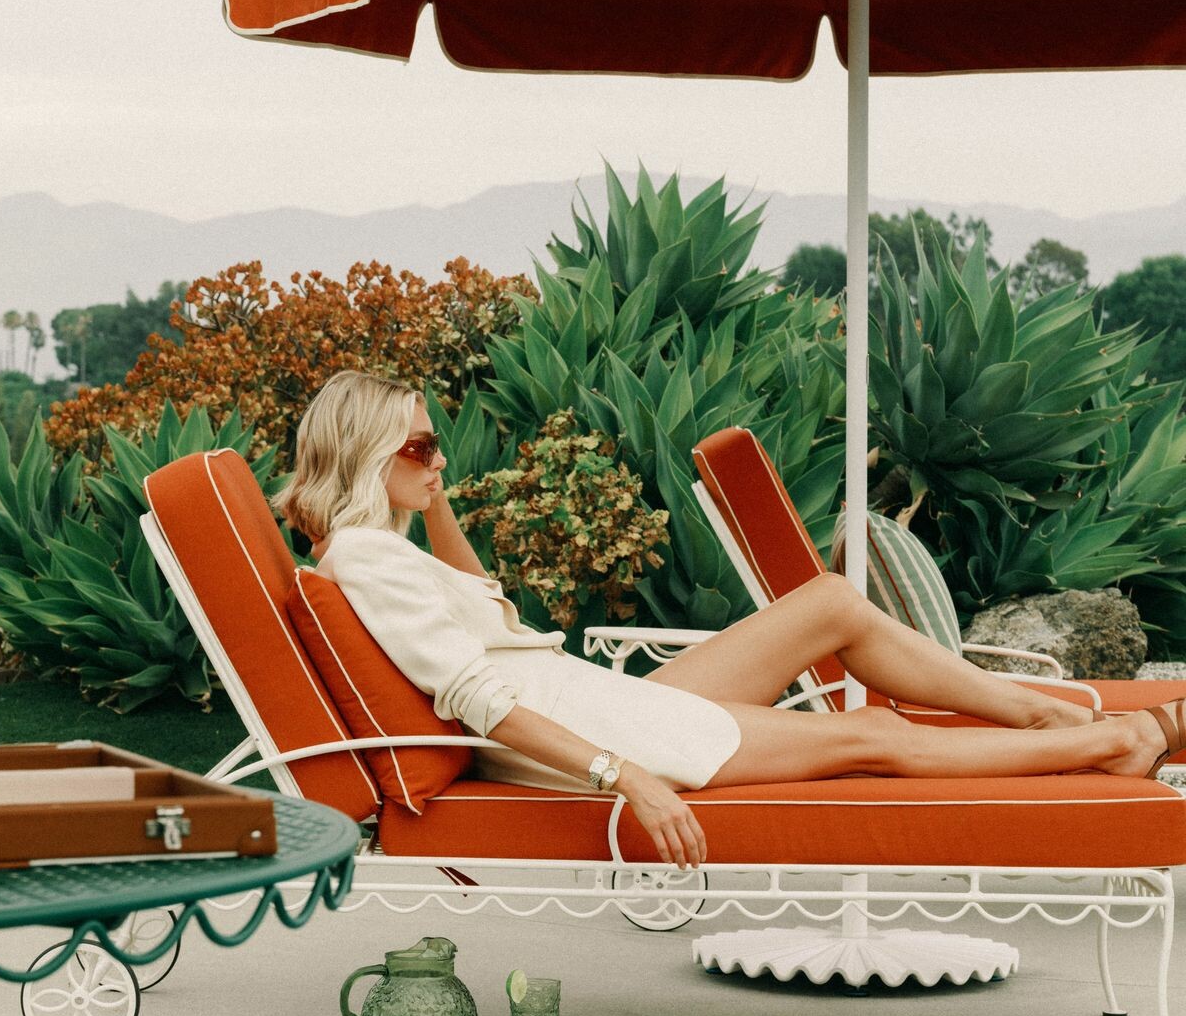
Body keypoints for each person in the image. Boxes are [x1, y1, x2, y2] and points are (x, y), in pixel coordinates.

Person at [273, 370, 1186, 871]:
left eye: (437, 443)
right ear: (369, 454)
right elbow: (478, 697)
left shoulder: (384, 548)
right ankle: (1112, 742)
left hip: (589, 698)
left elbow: (489, 610)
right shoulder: (366, 560)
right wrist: (626, 776)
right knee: (871, 735)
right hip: (586, 732)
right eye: (421, 446)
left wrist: (435, 501)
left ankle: (1043, 715)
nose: (440, 459)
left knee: (830, 604)